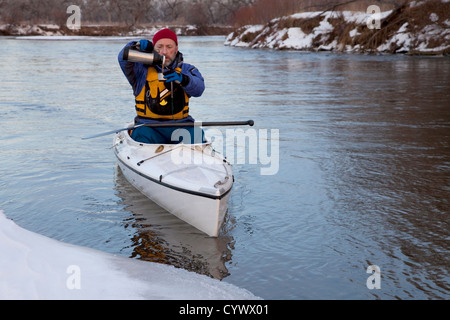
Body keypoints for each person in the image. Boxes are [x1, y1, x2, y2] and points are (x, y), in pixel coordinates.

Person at [118, 28, 205, 144]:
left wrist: (184, 80)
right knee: (141, 134)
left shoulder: (187, 70)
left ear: (176, 49)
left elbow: (199, 89)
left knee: (197, 134)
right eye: (159, 47)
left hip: (181, 126)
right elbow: (122, 58)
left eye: (169, 47)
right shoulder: (140, 70)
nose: (164, 52)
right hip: (148, 128)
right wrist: (135, 45)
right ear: (153, 49)